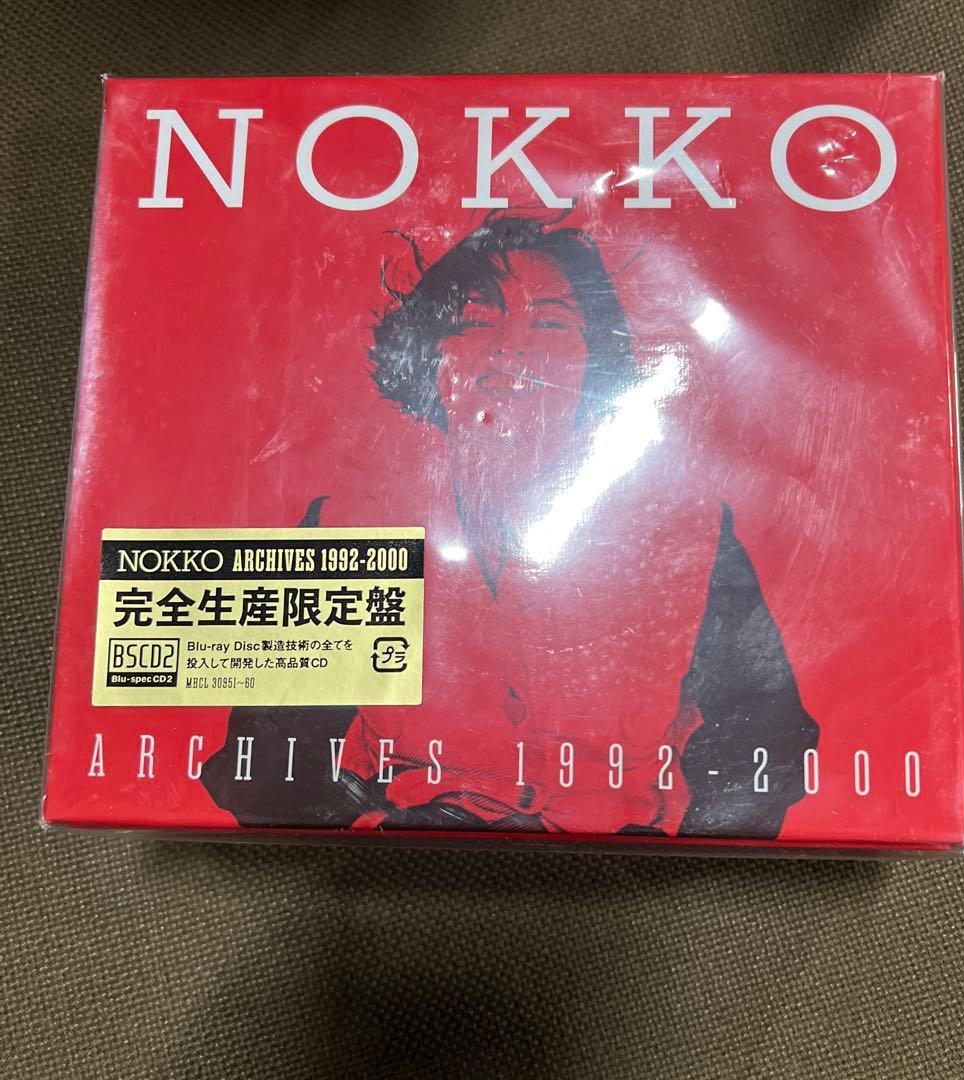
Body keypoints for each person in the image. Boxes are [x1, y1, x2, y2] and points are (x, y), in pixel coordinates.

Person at [202, 212, 818, 839]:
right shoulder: (349, 527)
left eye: (550, 323)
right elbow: (264, 758)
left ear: (594, 362)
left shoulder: (686, 536)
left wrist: (670, 846)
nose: (511, 348)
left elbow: (770, 738)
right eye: (474, 322)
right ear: (429, 358)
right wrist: (377, 833)